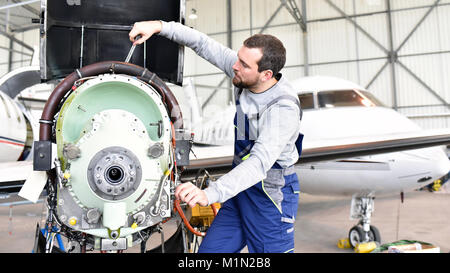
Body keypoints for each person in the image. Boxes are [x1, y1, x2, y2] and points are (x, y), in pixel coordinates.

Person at [129, 20, 303, 253]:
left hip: (270, 195)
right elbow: (202, 43)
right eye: (238, 58)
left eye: (243, 63)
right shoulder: (244, 73)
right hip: (240, 188)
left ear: (266, 74)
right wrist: (160, 27)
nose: (234, 66)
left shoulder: (283, 108)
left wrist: (209, 194)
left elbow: (259, 163)